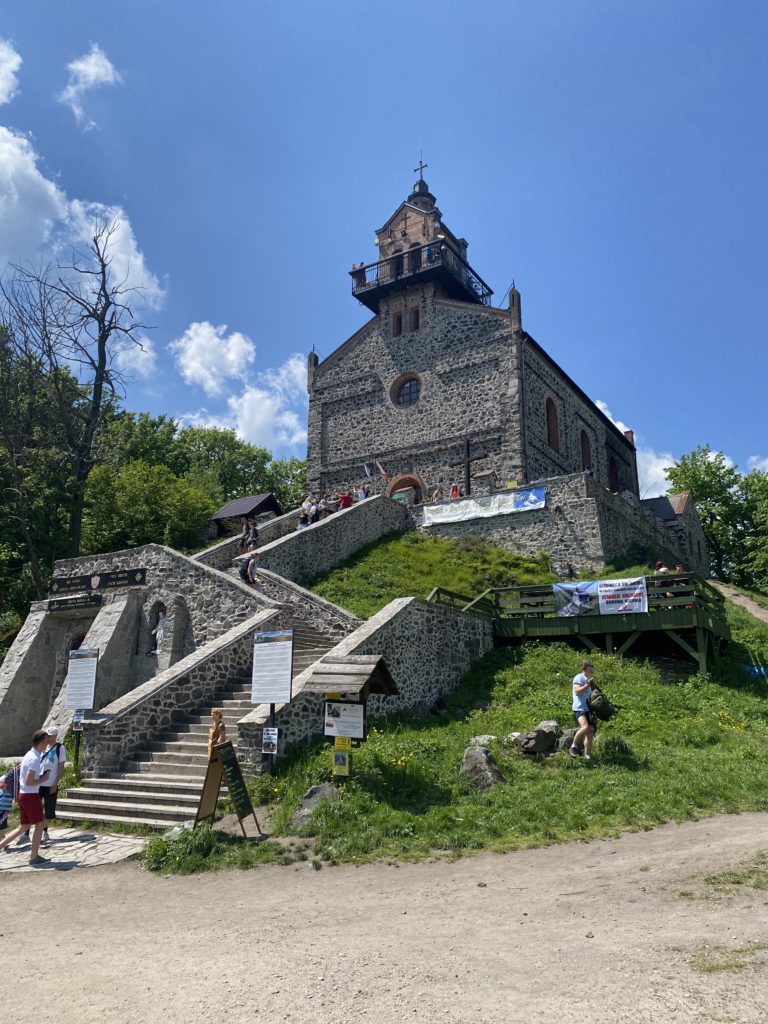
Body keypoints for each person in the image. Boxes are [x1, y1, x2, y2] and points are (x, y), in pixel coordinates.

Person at [0, 730, 53, 865]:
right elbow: (30, 781)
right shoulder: (35, 759)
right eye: (47, 740)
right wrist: (44, 779)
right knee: (40, 824)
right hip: (30, 796)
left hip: (23, 795)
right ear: (41, 742)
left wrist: (39, 778)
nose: (48, 742)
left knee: (23, 827)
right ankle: (34, 857)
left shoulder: (29, 755)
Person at [34, 727, 66, 846]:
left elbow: (61, 767)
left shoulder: (60, 748)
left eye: (50, 736)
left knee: (48, 809)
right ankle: (26, 832)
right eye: (47, 736)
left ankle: (45, 832)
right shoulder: (43, 747)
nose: (48, 738)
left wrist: (55, 783)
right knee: (34, 807)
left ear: (55, 736)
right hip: (39, 782)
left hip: (50, 783)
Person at [570, 660, 597, 762]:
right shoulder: (579, 677)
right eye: (591, 667)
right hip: (579, 708)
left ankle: (588, 756)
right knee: (585, 727)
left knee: (590, 733)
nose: (592, 669)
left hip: (588, 709)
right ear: (586, 668)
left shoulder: (587, 679)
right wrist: (587, 685)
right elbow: (577, 692)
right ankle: (573, 746)